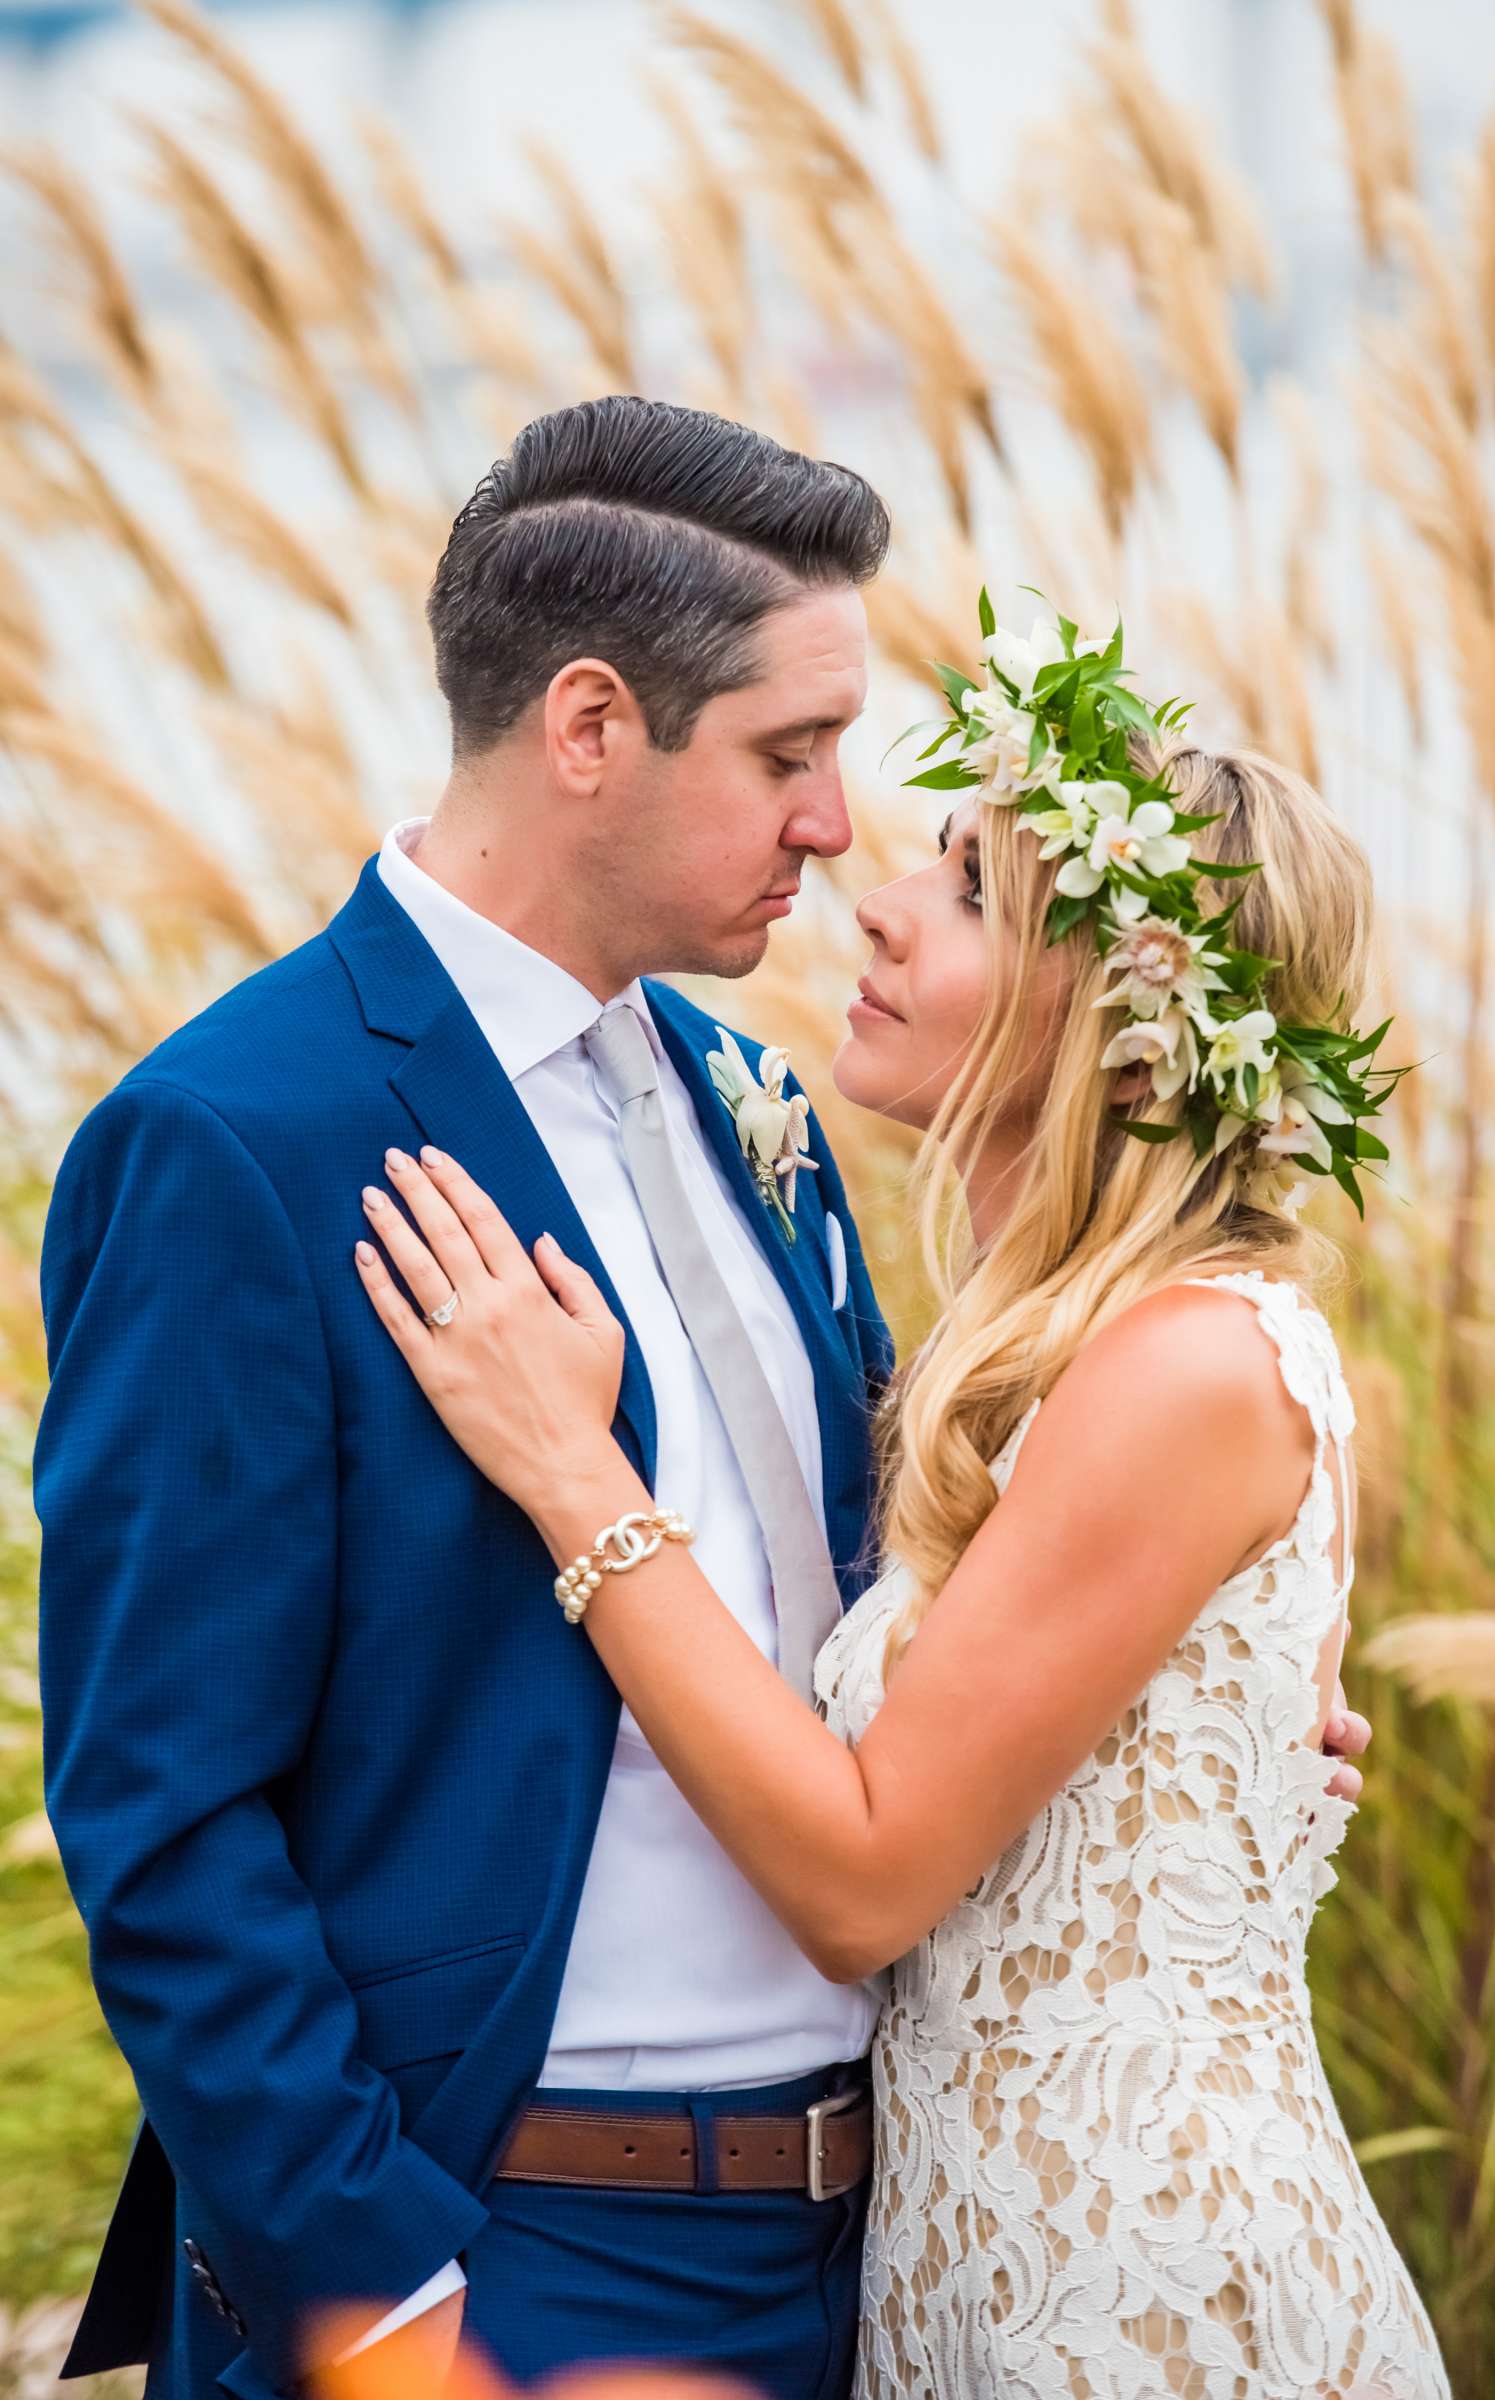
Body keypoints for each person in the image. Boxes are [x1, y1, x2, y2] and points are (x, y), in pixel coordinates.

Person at [33, 399, 1367, 2400]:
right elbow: (158, 1800)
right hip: (504, 2252)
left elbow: (871, 1633)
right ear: (589, 730)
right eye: (789, 756)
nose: (837, 826)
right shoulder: (239, 1138)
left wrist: (1179, 1727)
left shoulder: (767, 1112)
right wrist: (379, 2291)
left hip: (882, 2254)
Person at [349, 596, 1443, 2396]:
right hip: (961, 2254)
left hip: (1137, 2283)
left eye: (970, 892)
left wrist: (570, 1476)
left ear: (1110, 1019)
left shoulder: (1179, 1366)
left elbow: (860, 1882)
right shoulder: (1044, 1357)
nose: (875, 891)